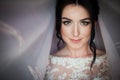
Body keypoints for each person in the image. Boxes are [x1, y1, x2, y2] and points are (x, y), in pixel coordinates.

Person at [28, 0, 120, 80]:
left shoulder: (111, 63)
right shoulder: (44, 66)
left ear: (94, 24)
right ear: (59, 24)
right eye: (67, 22)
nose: (75, 33)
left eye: (84, 23)